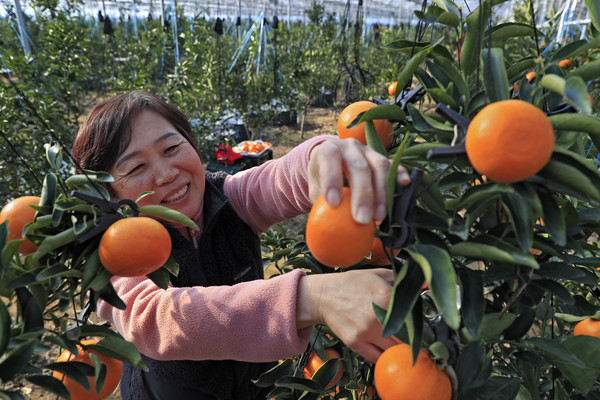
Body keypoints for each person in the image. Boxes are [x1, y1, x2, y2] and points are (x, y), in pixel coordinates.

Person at [72, 91, 411, 400]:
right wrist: (310, 298)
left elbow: (279, 179)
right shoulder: (113, 251)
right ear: (109, 196)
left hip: (253, 384)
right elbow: (153, 318)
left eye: (172, 148)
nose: (165, 173)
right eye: (136, 167)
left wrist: (323, 156)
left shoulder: (228, 198)